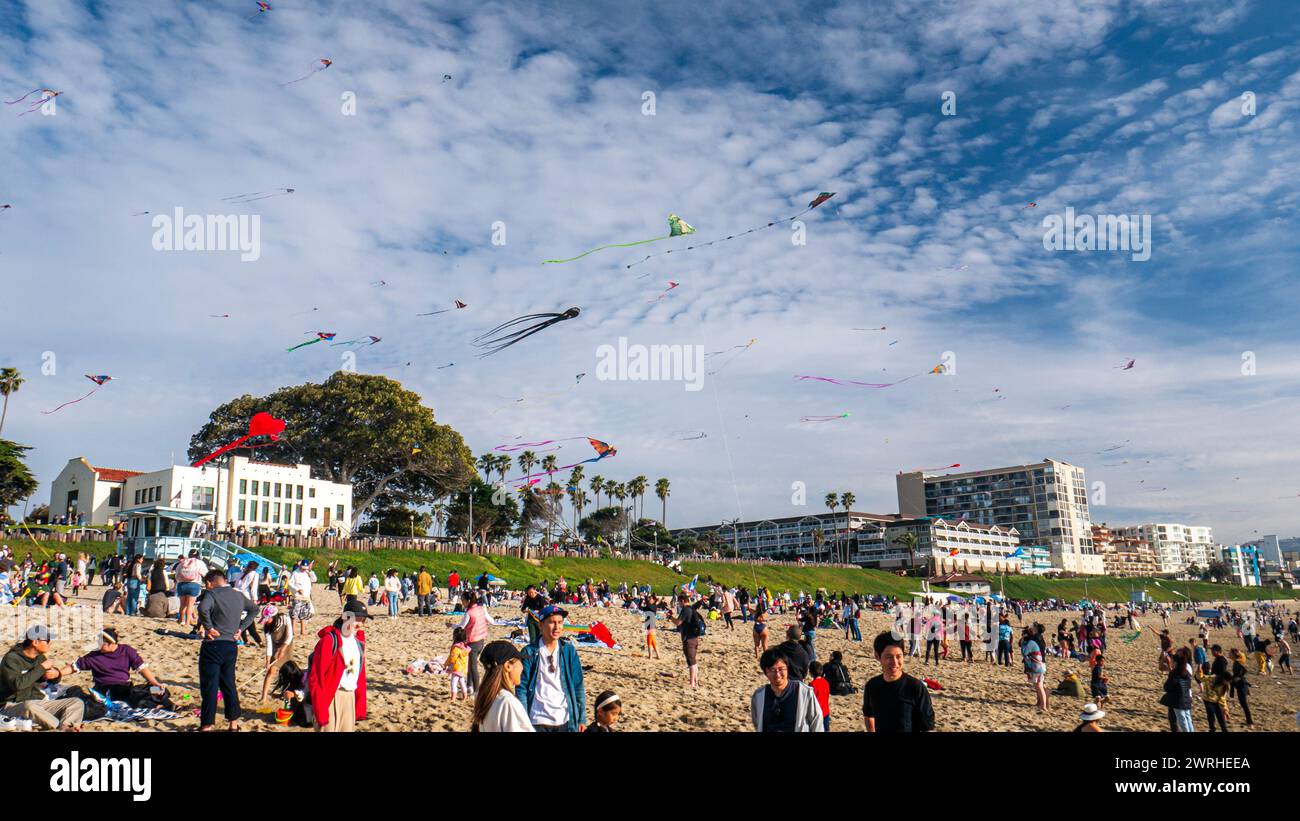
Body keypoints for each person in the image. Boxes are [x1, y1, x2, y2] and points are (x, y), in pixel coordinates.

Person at [197, 568, 259, 732]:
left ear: (210, 583)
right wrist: (241, 628)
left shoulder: (211, 594)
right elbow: (254, 609)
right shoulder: (238, 594)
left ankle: (207, 725)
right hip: (231, 645)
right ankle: (233, 724)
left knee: (210, 686)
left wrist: (208, 627)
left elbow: (203, 609)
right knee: (228, 684)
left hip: (213, 644)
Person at [516, 604, 586, 732]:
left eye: (560, 622)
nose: (557, 627)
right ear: (541, 625)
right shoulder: (529, 652)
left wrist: (581, 718)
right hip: (537, 719)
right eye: (552, 623)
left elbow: (578, 685)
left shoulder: (569, 651)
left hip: (564, 718)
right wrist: (523, 719)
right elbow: (521, 688)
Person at [0, 625, 84, 730]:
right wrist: (42, 667)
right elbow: (17, 685)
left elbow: (51, 679)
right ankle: (61, 727)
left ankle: (67, 724)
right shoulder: (12, 658)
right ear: (35, 642)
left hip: (38, 702)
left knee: (76, 702)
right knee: (29, 706)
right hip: (11, 706)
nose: (50, 643)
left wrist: (56, 675)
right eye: (47, 640)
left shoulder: (40, 658)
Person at [308, 599, 370, 732]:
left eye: (363, 620)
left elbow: (360, 675)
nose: (361, 624)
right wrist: (321, 710)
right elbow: (316, 678)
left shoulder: (359, 641)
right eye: (357, 619)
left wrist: (360, 706)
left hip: (350, 696)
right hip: (331, 697)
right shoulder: (329, 641)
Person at [58, 627, 163, 701]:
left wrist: (154, 683)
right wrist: (58, 673)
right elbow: (75, 667)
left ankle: (166, 705)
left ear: (111, 644)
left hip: (124, 686)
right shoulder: (94, 655)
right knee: (133, 694)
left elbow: (141, 668)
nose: (98, 646)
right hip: (104, 688)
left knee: (158, 690)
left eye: (101, 643)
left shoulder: (126, 650)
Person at [863, 631, 934, 732]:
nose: (895, 662)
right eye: (888, 657)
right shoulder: (872, 685)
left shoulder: (915, 687)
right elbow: (868, 714)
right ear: (877, 656)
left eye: (898, 656)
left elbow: (927, 725)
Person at [751, 649, 823, 732]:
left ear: (787, 669)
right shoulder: (759, 696)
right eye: (772, 670)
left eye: (781, 669)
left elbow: (817, 723)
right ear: (766, 672)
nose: (777, 675)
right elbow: (757, 723)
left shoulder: (804, 692)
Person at [471, 640, 533, 732]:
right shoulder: (507, 702)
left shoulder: (485, 696)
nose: (522, 667)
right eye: (520, 661)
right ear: (508, 666)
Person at [457, 591, 497, 693]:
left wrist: (451, 626)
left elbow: (461, 627)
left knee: (473, 668)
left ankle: (476, 691)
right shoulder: (481, 609)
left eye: (463, 600)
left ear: (468, 601)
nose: (462, 603)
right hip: (481, 641)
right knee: (471, 664)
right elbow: (492, 621)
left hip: (472, 642)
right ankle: (469, 686)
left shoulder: (469, 613)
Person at [258, 606, 295, 703]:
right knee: (271, 670)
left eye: (267, 619)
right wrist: (267, 661)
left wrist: (282, 650)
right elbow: (269, 645)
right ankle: (264, 696)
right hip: (275, 646)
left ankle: (287, 692)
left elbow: (290, 635)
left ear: (273, 617)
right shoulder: (267, 627)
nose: (266, 621)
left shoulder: (285, 618)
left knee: (288, 670)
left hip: (287, 645)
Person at [670, 592, 705, 688]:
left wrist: (670, 617)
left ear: (682, 601)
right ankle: (695, 680)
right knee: (693, 661)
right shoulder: (691, 608)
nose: (679, 605)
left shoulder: (686, 610)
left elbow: (678, 622)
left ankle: (692, 684)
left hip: (688, 638)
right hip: (694, 638)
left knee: (691, 662)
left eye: (679, 603)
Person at [1161, 647, 1195, 732]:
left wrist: (1170, 669)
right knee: (1186, 718)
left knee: (1182, 720)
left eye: (1178, 652)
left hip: (1179, 698)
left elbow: (1168, 686)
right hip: (1184, 697)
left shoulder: (1183, 668)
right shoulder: (1183, 668)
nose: (1176, 653)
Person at [174, 549, 206, 632]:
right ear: (198, 555)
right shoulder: (199, 562)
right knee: (190, 605)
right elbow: (205, 574)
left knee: (182, 605)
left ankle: (181, 620)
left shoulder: (182, 562)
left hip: (181, 584)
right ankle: (187, 622)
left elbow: (177, 575)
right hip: (194, 584)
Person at [1021, 627, 1049, 712]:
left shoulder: (1031, 643)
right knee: (1039, 686)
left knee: (1039, 686)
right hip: (1038, 666)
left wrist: (1022, 642)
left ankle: (1043, 705)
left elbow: (1024, 652)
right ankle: (1042, 704)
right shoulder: (1033, 642)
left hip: (1036, 667)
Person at [1228, 648, 1254, 729]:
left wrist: (1238, 677)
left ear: (1234, 654)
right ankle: (1249, 721)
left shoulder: (1237, 662)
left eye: (1230, 653)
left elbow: (1244, 670)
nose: (1229, 654)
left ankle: (1250, 722)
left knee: (1244, 705)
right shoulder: (1237, 661)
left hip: (1241, 686)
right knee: (1244, 704)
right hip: (1241, 685)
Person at [447, 627, 470, 700]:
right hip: (463, 668)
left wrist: (446, 664)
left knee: (453, 683)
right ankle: (465, 696)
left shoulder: (456, 648)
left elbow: (452, 658)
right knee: (462, 682)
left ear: (455, 636)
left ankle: (453, 698)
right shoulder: (465, 647)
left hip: (456, 668)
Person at [810, 660, 832, 731]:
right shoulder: (826, 682)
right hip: (826, 712)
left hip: (817, 714)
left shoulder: (812, 685)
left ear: (810, 673)